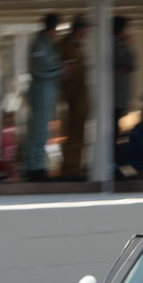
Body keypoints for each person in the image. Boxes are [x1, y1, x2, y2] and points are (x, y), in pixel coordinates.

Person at [25, 13, 62, 182]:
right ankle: (34, 167)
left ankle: (37, 164)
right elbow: (40, 70)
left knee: (42, 130)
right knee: (38, 131)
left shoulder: (49, 44)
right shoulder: (39, 44)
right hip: (41, 91)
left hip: (48, 91)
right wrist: (60, 72)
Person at [59, 15, 90, 181]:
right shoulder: (66, 46)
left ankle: (75, 169)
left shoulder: (78, 46)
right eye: (85, 29)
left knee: (79, 137)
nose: (87, 32)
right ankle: (69, 171)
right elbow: (66, 72)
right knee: (72, 137)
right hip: (71, 99)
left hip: (80, 99)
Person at [113, 15, 135, 168]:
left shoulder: (120, 44)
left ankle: (115, 163)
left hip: (119, 96)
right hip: (115, 96)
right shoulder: (115, 44)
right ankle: (113, 164)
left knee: (116, 130)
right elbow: (125, 63)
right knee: (113, 132)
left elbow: (131, 65)